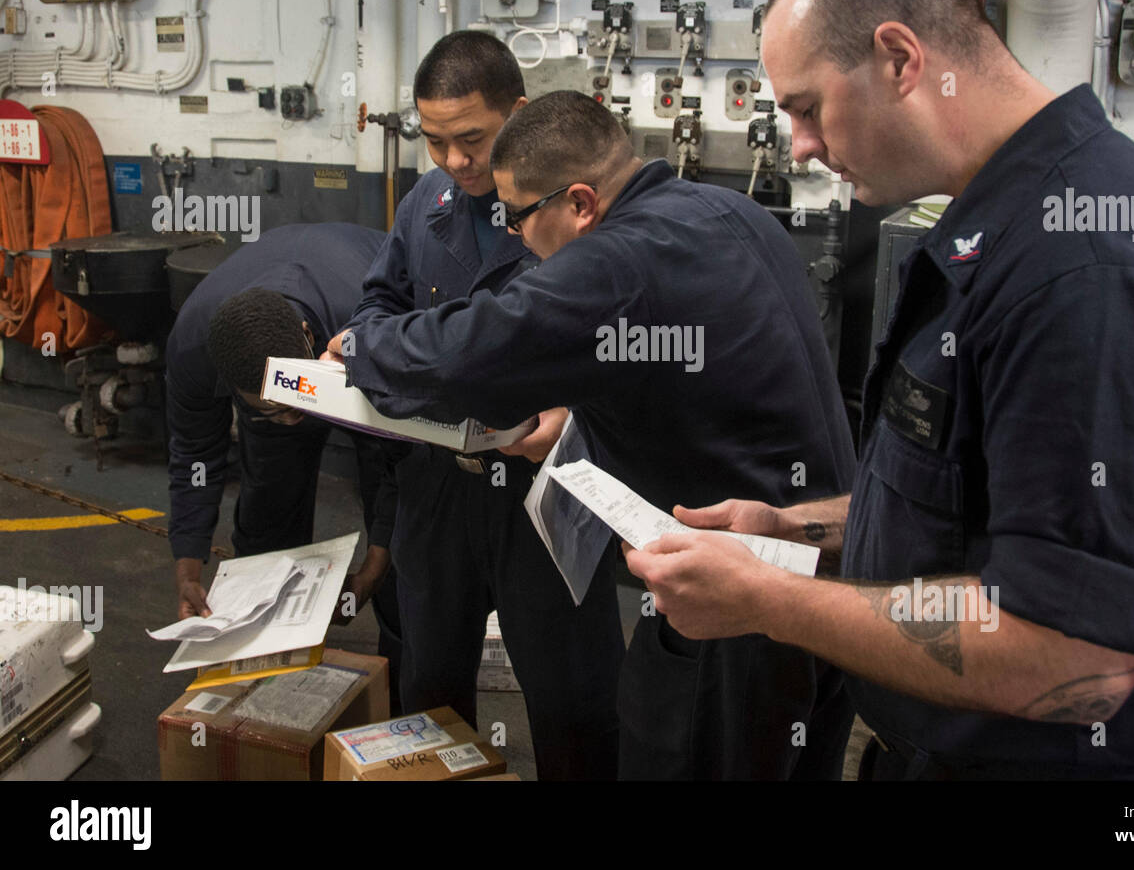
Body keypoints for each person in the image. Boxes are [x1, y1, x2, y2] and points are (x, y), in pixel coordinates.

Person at [624, 0, 1134, 780]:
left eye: (807, 107)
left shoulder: (1088, 276)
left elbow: (1079, 661)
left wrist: (768, 601)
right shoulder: (1007, 220)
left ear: (898, 58)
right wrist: (791, 533)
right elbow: (969, 503)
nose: (801, 145)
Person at [330, 89, 858, 780]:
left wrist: (360, 349)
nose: (515, 235)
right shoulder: (725, 212)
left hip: (733, 615)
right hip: (826, 585)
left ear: (579, 203)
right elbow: (681, 374)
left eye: (519, 216)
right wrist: (580, 420)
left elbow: (475, 352)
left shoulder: (617, 258)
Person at [338, 32, 626, 781]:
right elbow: (377, 306)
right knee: (427, 686)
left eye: (472, 139)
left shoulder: (579, 209)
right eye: (435, 142)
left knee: (572, 698)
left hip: (545, 489)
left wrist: (581, 419)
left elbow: (629, 353)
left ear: (520, 114)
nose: (456, 163)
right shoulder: (427, 203)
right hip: (437, 483)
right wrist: (373, 352)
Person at [166, 223, 402, 708]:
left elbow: (397, 460)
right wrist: (188, 563)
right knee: (266, 520)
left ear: (306, 336)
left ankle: (400, 694)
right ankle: (263, 683)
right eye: (268, 406)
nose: (293, 419)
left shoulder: (371, 322)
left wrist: (375, 566)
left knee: (405, 560)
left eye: (291, 400)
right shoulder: (195, 349)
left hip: (353, 353)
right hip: (287, 364)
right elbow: (194, 453)